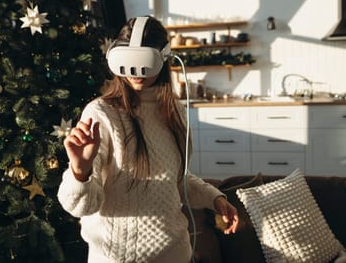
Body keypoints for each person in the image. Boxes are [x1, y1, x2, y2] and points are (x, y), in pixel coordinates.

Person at [57, 16, 239, 263]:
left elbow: (175, 182)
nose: (136, 73)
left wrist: (214, 199)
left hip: (174, 253)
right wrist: (80, 171)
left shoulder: (175, 111)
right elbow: (81, 207)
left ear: (164, 59)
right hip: (113, 257)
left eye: (145, 63)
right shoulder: (101, 113)